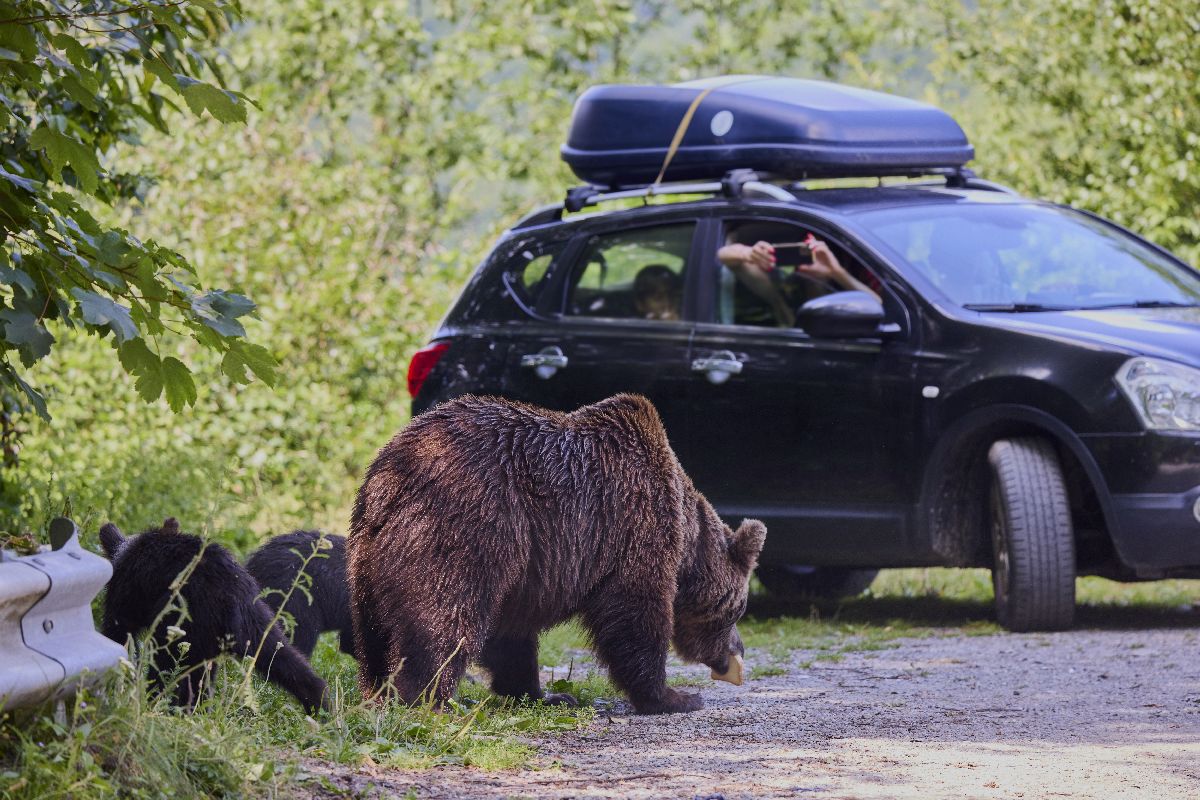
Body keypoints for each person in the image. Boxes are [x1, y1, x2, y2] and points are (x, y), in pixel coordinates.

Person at [718, 232, 879, 327]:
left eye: (816, 257)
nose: (808, 265)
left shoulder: (842, 295)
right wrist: (749, 254)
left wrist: (836, 272)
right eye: (804, 256)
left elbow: (883, 308)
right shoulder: (785, 291)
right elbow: (724, 255)